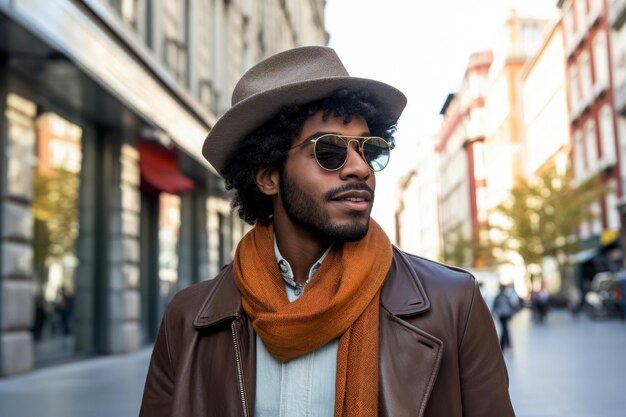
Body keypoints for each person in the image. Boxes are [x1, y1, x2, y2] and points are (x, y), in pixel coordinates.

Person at [139, 46, 514, 417]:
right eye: (329, 151)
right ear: (268, 176)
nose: (359, 168)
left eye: (369, 149)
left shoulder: (453, 304)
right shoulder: (189, 321)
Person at [493, 284, 515, 351]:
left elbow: (510, 306)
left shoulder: (506, 297)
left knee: (504, 330)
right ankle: (507, 345)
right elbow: (494, 306)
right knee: (505, 330)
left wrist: (511, 314)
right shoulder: (498, 297)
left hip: (506, 315)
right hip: (501, 315)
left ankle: (503, 346)